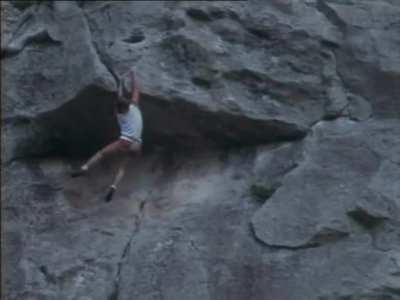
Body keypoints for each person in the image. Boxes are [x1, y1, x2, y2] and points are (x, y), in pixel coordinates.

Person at [71, 69, 143, 202]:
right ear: (129, 104)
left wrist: (120, 83)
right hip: (137, 144)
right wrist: (133, 74)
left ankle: (84, 168)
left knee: (101, 154)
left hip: (125, 141)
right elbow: (135, 89)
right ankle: (113, 186)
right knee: (123, 166)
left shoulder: (119, 115)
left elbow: (119, 98)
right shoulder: (135, 107)